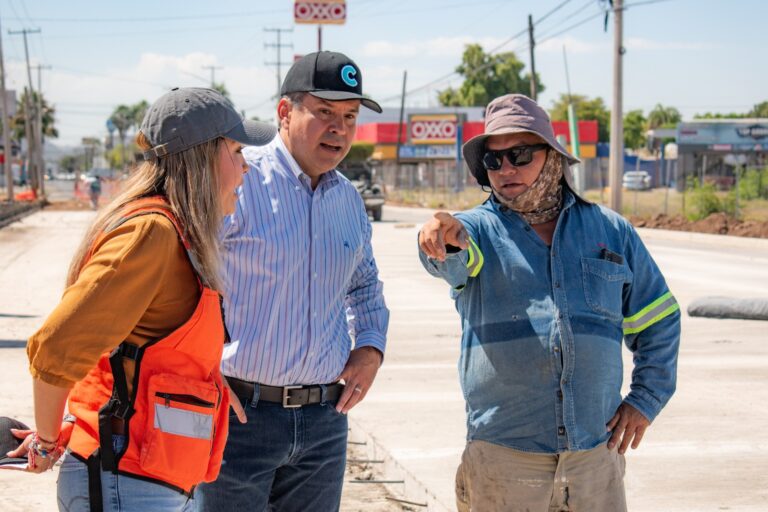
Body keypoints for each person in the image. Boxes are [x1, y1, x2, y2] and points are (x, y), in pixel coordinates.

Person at [14, 87, 276, 511]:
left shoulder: (178, 235)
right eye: (236, 151)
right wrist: (46, 442)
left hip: (152, 481)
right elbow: (57, 347)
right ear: (203, 158)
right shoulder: (152, 233)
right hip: (126, 483)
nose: (246, 168)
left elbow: (148, 349)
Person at [417, 94, 681, 512]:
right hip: (503, 461)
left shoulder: (611, 232)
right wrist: (439, 235)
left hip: (595, 458)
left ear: (552, 155)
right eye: (494, 161)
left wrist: (645, 400)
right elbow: (454, 258)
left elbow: (660, 320)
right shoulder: (477, 231)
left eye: (519, 155)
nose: (506, 169)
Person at [195, 51, 389, 512]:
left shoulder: (348, 200)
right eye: (324, 112)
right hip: (240, 417)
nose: (338, 128)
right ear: (285, 112)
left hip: (324, 421)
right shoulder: (239, 181)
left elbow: (363, 284)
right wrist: (201, 373)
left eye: (348, 116)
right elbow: (187, 282)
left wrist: (370, 347)